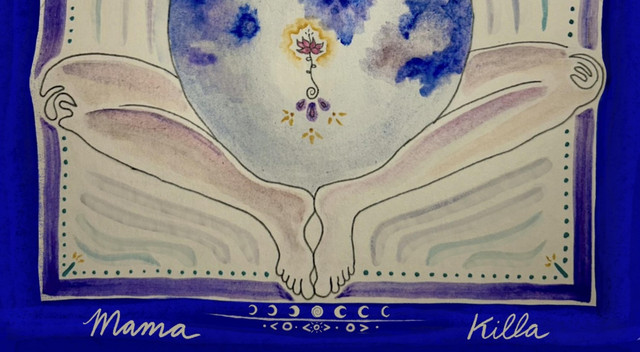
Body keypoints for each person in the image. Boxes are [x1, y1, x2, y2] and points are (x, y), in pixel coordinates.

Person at [38, 42, 603, 299]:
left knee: (562, 82)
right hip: (247, 68)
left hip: (378, 71)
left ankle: (353, 197)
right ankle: (271, 204)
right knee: (70, 91)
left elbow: (457, 61)